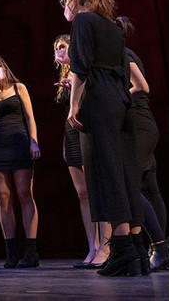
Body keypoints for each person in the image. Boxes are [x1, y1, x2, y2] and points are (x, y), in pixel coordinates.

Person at [60, 0, 144, 276]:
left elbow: (80, 68)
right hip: (121, 102)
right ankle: (135, 249)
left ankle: (121, 247)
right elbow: (122, 68)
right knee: (125, 171)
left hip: (99, 101)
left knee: (106, 171)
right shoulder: (113, 26)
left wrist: (73, 105)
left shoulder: (83, 22)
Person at [115, 16, 169, 271]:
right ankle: (160, 250)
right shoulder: (126, 53)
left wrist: (117, 95)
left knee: (129, 186)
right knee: (150, 189)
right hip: (145, 125)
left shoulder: (123, 54)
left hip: (139, 127)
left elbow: (142, 86)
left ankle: (159, 247)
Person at [53, 35, 111, 269]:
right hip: (71, 137)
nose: (58, 51)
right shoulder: (65, 76)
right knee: (83, 194)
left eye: (62, 47)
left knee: (97, 192)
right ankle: (92, 246)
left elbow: (95, 100)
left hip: (88, 133)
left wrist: (75, 87)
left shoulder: (83, 70)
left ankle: (106, 248)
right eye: (56, 48)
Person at [0, 56, 41, 268]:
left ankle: (31, 252)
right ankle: (11, 252)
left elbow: (30, 117)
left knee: (25, 194)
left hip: (20, 143)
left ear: (5, 67)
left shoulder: (18, 88)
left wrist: (34, 143)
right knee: (3, 198)